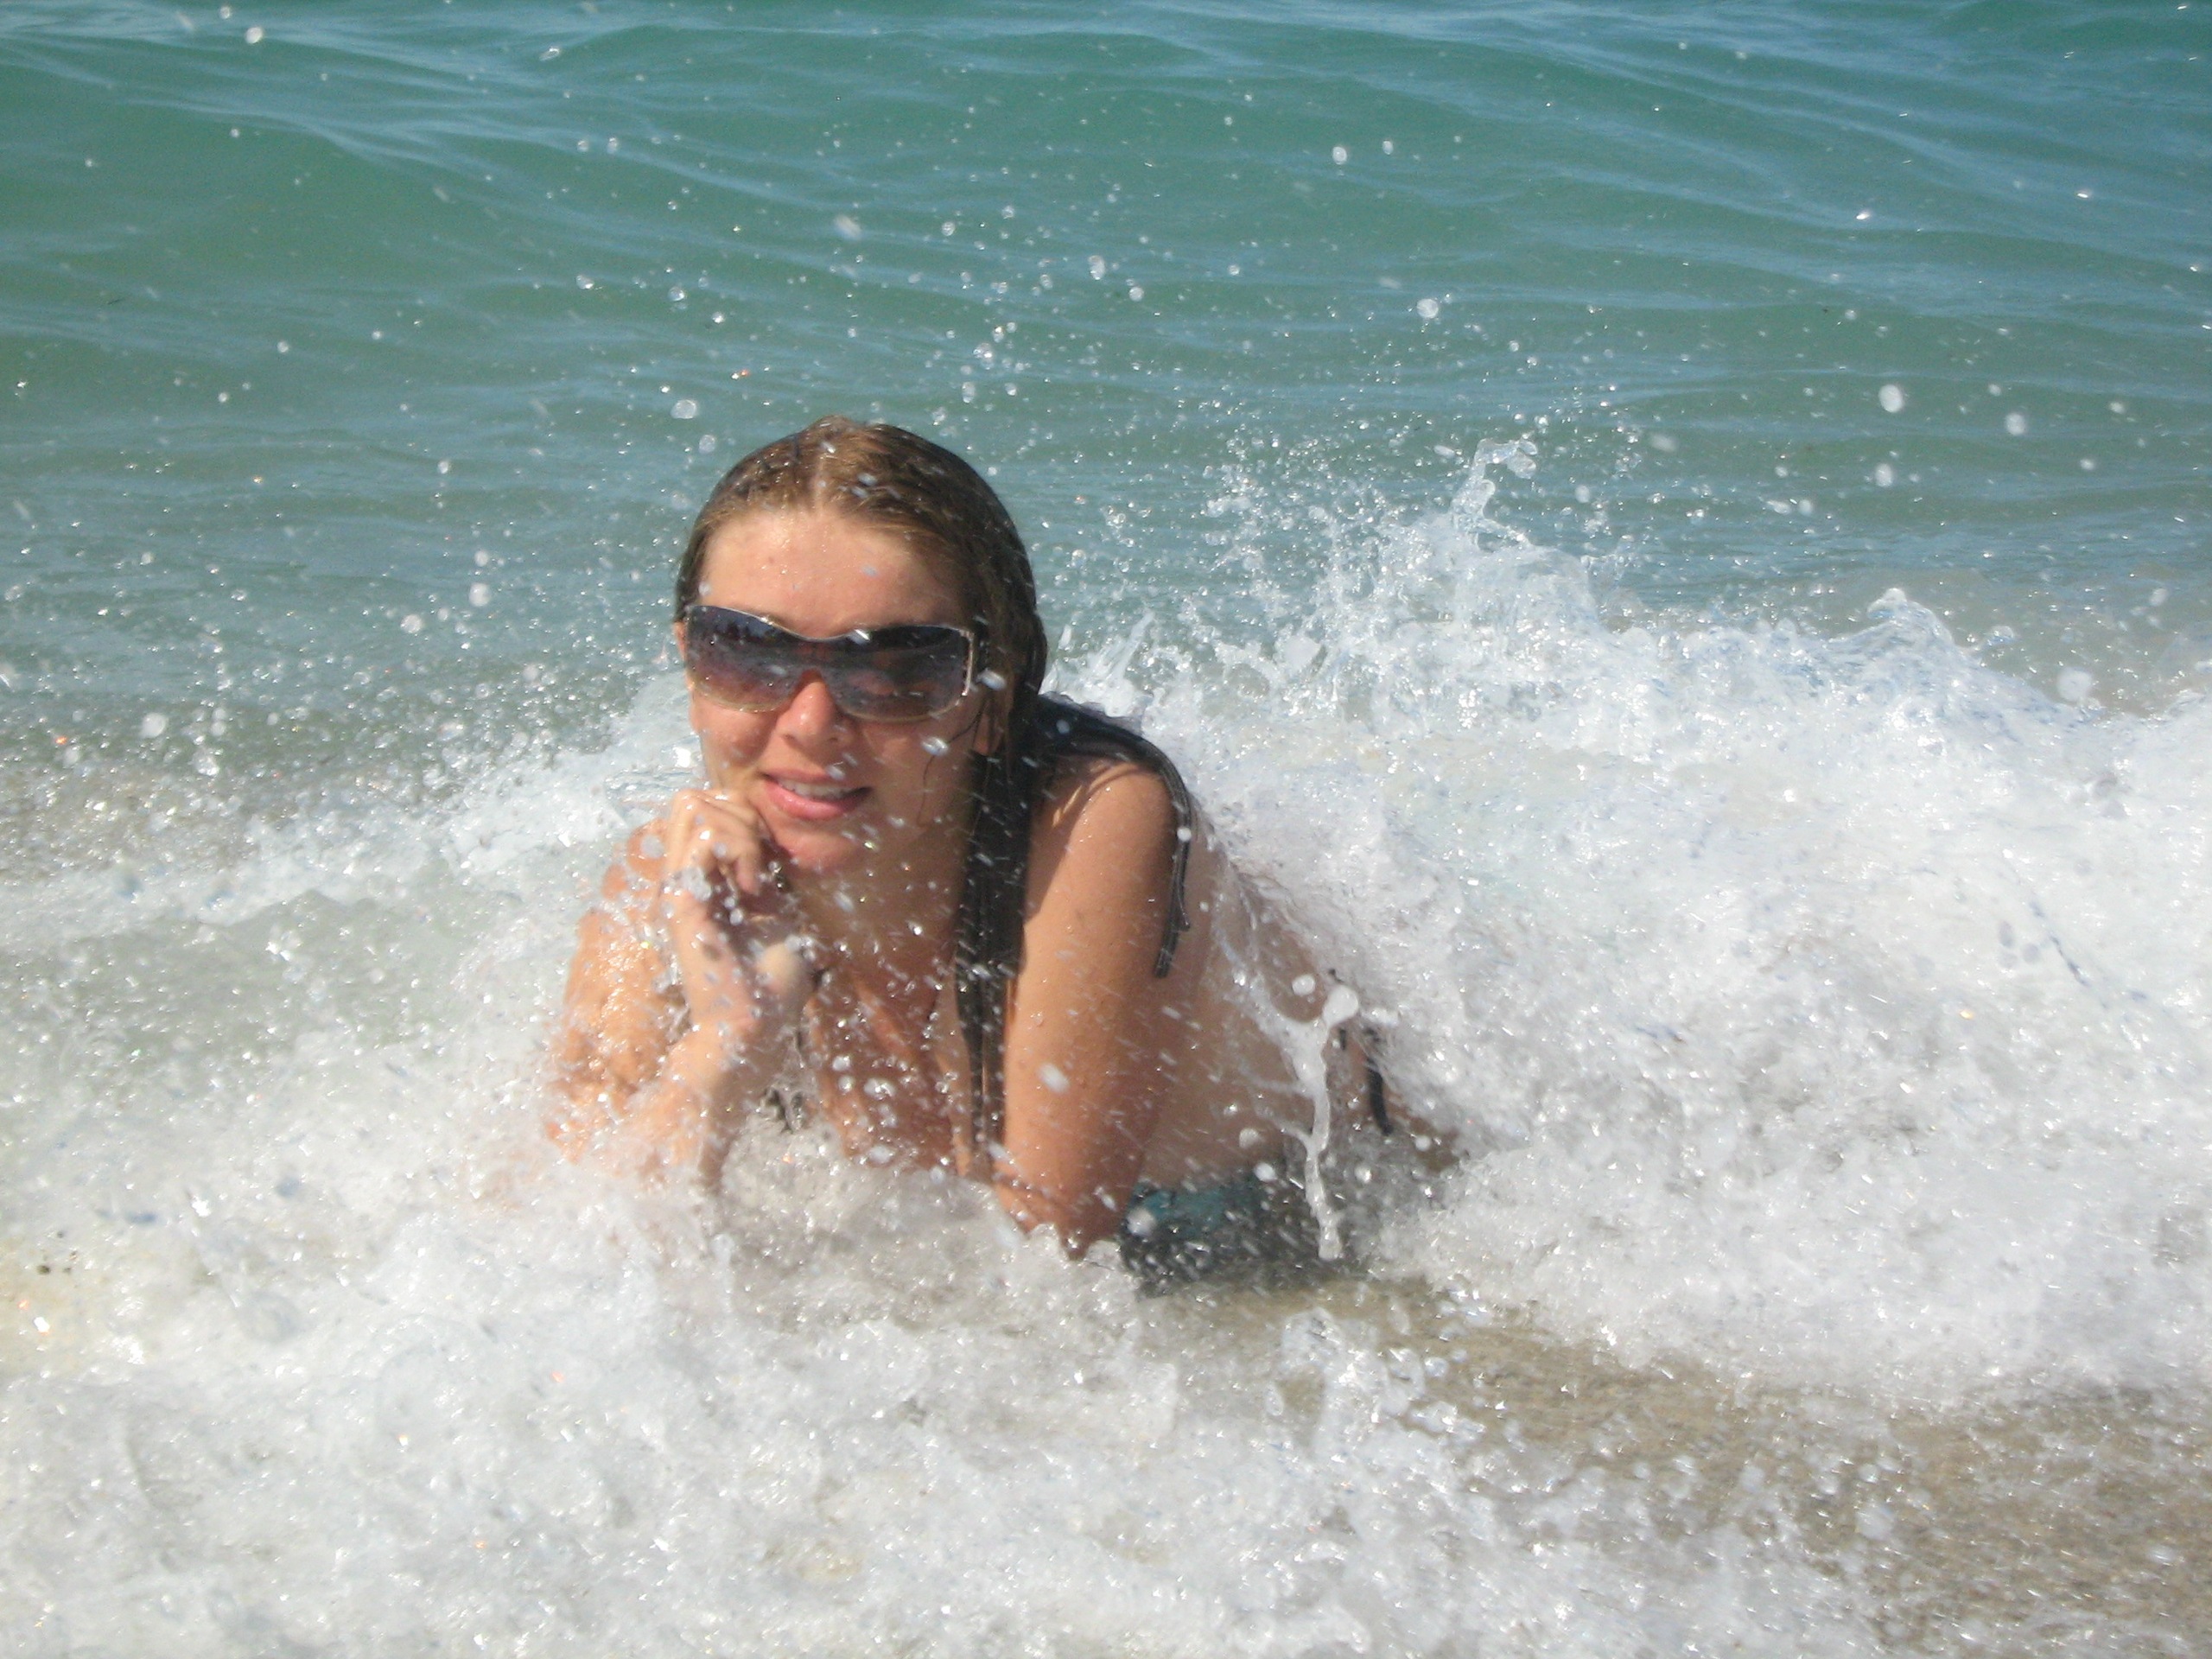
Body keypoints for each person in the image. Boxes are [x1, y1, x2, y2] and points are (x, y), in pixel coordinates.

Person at [549, 416, 1395, 1270]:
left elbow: (1042, 1266)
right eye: (748, 650)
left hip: (1318, 1214)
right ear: (691, 665)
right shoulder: (680, 875)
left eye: (892, 669)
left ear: (993, 698)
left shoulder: (1095, 824)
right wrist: (731, 1035)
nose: (809, 722)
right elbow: (564, 1244)